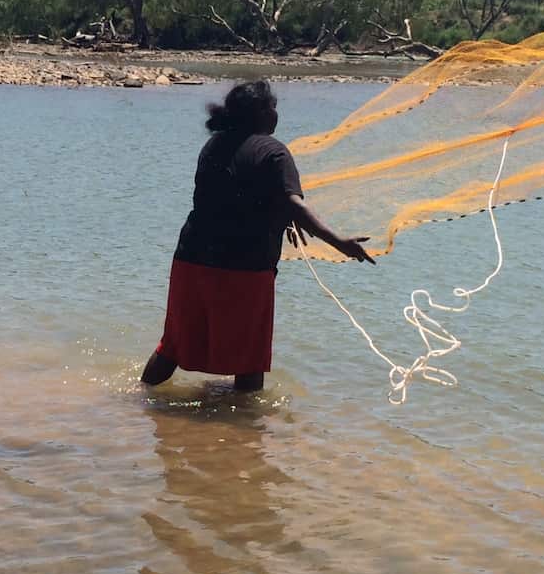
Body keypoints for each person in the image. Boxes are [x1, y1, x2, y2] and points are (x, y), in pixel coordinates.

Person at [141, 80, 374, 392]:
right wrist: (339, 242)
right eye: (272, 108)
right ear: (260, 115)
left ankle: (138, 401)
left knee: (173, 346)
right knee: (249, 360)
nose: (276, 114)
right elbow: (293, 203)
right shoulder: (274, 153)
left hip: (191, 259)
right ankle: (245, 434)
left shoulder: (214, 145)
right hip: (244, 269)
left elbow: (232, 195)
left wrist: (280, 217)